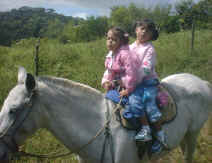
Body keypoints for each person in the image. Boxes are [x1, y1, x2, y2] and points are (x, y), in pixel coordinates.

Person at [126, 19, 166, 153]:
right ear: (136, 30)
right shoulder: (129, 48)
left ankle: (160, 135)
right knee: (133, 101)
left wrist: (130, 83)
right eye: (141, 28)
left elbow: (146, 69)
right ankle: (145, 128)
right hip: (132, 82)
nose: (144, 32)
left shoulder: (150, 49)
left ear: (151, 35)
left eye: (148, 30)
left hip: (148, 82)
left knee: (149, 103)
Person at [101, 27, 138, 97]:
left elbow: (132, 74)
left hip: (131, 85)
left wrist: (128, 90)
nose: (110, 41)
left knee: (134, 103)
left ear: (121, 42)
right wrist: (106, 82)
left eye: (114, 39)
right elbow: (110, 71)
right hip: (118, 83)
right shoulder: (110, 55)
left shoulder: (125, 54)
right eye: (108, 38)